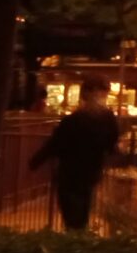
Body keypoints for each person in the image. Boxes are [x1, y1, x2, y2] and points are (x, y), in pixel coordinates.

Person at [30, 80, 122, 230]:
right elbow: (112, 143)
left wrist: (35, 162)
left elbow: (55, 143)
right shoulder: (107, 119)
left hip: (70, 170)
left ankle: (74, 234)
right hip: (92, 168)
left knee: (71, 209)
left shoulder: (73, 120)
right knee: (84, 206)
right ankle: (80, 234)